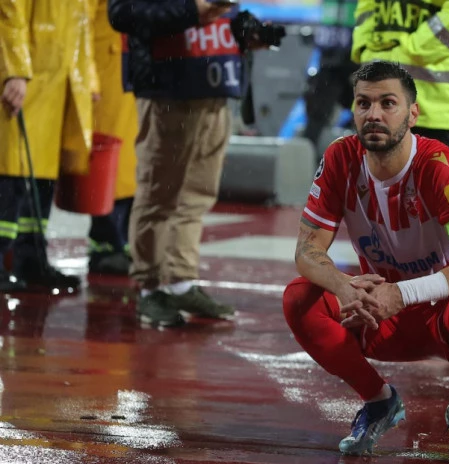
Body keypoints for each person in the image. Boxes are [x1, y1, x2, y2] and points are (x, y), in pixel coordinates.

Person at [282, 61, 449, 464]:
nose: (374, 114)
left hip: (441, 314)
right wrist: (342, 286)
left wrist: (402, 293)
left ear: (413, 113)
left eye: (388, 103)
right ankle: (379, 401)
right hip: (375, 311)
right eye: (363, 103)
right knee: (300, 298)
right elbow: (307, 250)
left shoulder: (440, 167)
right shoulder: (339, 158)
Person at [108, 0, 282, 326]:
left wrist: (247, 32)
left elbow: (221, 15)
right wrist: (191, 11)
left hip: (214, 87)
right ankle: (150, 287)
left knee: (196, 195)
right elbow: (122, 12)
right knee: (159, 193)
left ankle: (180, 281)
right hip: (167, 90)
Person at [351, 0, 449, 187]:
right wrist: (364, 44)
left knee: (437, 200)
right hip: (383, 98)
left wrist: (415, 48)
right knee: (377, 198)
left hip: (441, 105)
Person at [0, 0, 95, 293]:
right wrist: (15, 69)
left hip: (55, 79)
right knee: (10, 174)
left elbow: (83, 22)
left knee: (41, 174)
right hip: (28, 76)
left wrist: (87, 80)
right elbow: (8, 9)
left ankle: (31, 257)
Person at [88, 0, 138, 276]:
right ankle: (108, 243)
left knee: (128, 162)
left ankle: (119, 242)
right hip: (109, 69)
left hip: (127, 65)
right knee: (111, 162)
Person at [302, 0, 359, 154]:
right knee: (317, 114)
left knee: (366, 115)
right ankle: (307, 159)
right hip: (330, 63)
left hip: (356, 63)